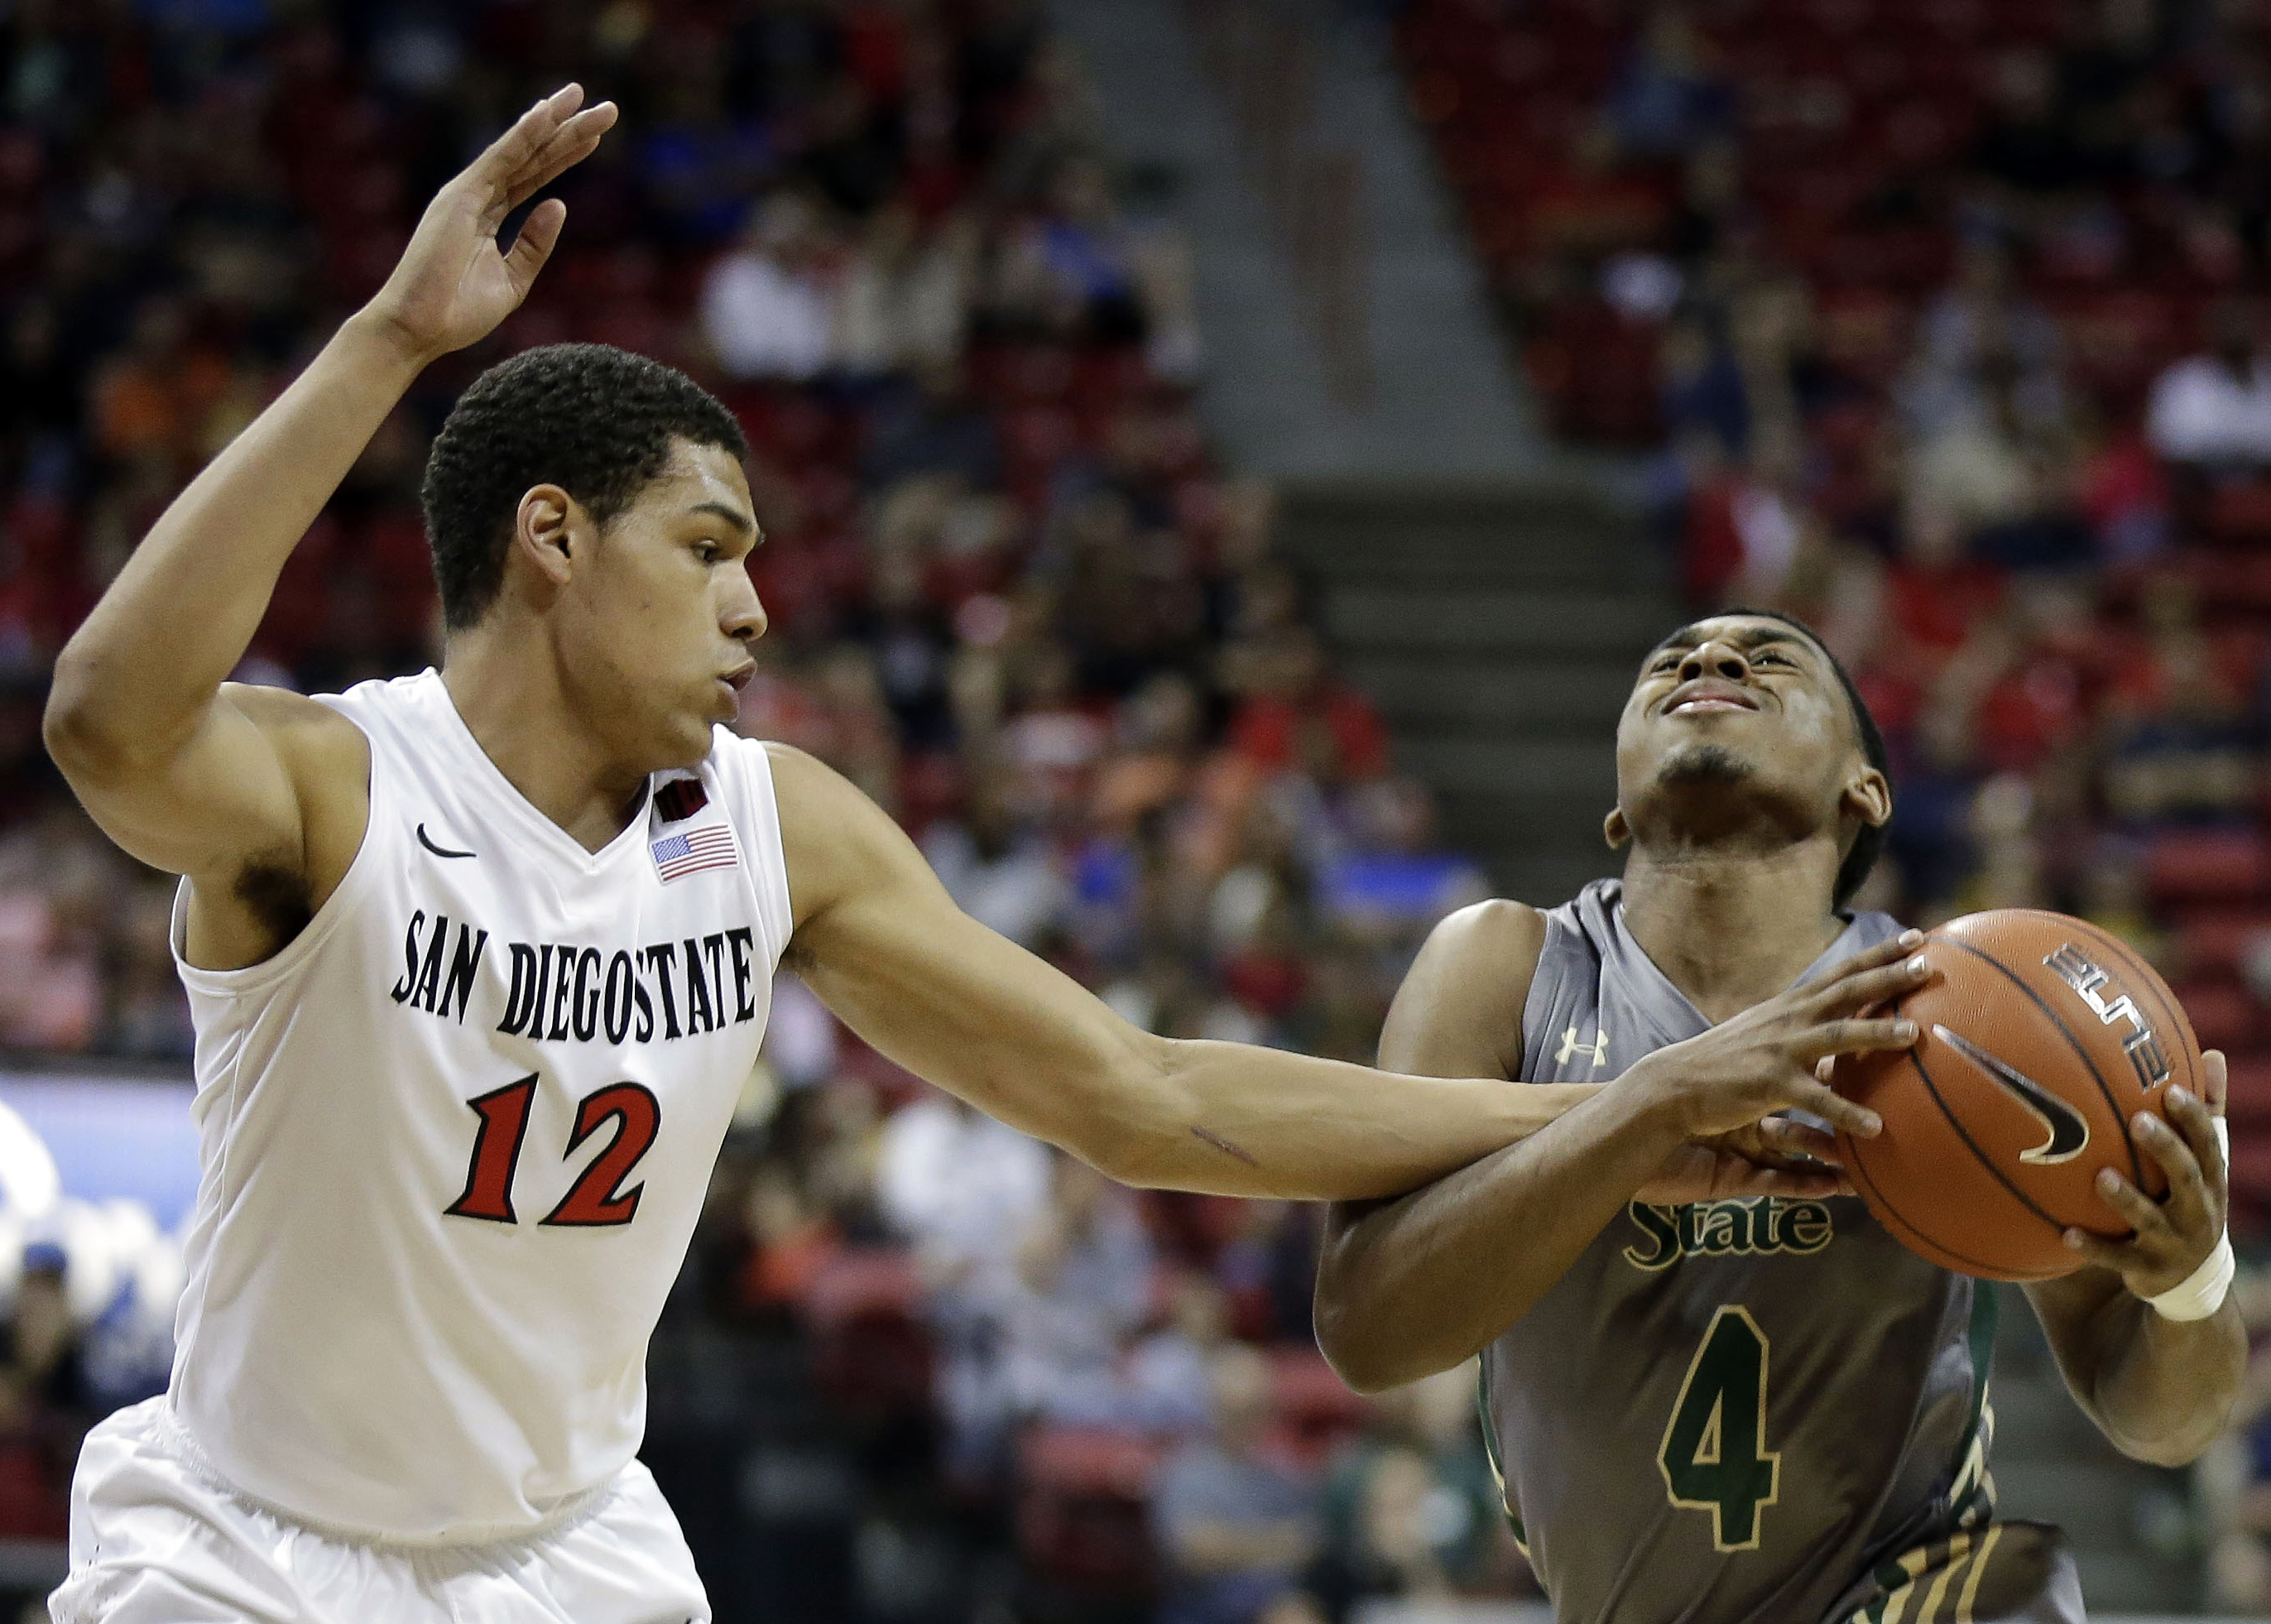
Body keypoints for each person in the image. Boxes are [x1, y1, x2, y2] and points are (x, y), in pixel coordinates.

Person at [33, 92, 1897, 1622]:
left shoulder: (777, 825)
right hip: (253, 1555)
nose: (755, 610)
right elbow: (107, 720)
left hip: (563, 1555)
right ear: (552, 540)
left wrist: (1626, 1112)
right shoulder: (343, 789)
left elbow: (1146, 1100)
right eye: (707, 549)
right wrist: (389, 340)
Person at [1312, 608, 2249, 1623]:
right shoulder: (1500, 966)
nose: (1709, 659)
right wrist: (1652, 1105)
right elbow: (1368, 1334)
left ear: (1864, 789)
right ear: (1617, 802)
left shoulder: (1953, 1018)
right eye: (1668, 663)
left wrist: (2188, 1283)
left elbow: (2163, 1423)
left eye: (1769, 659)